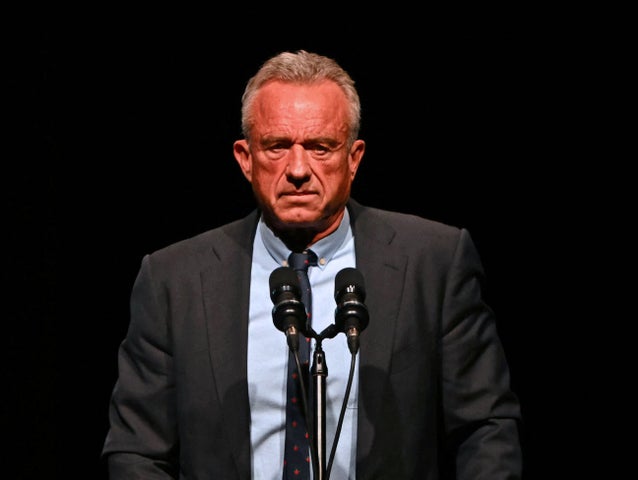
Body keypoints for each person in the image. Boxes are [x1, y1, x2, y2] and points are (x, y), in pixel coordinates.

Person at [101, 49, 523, 479]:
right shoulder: (174, 281)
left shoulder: (433, 263)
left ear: (353, 158)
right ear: (245, 158)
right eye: (277, 146)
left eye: (320, 147)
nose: (298, 169)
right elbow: (138, 451)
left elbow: (486, 430)